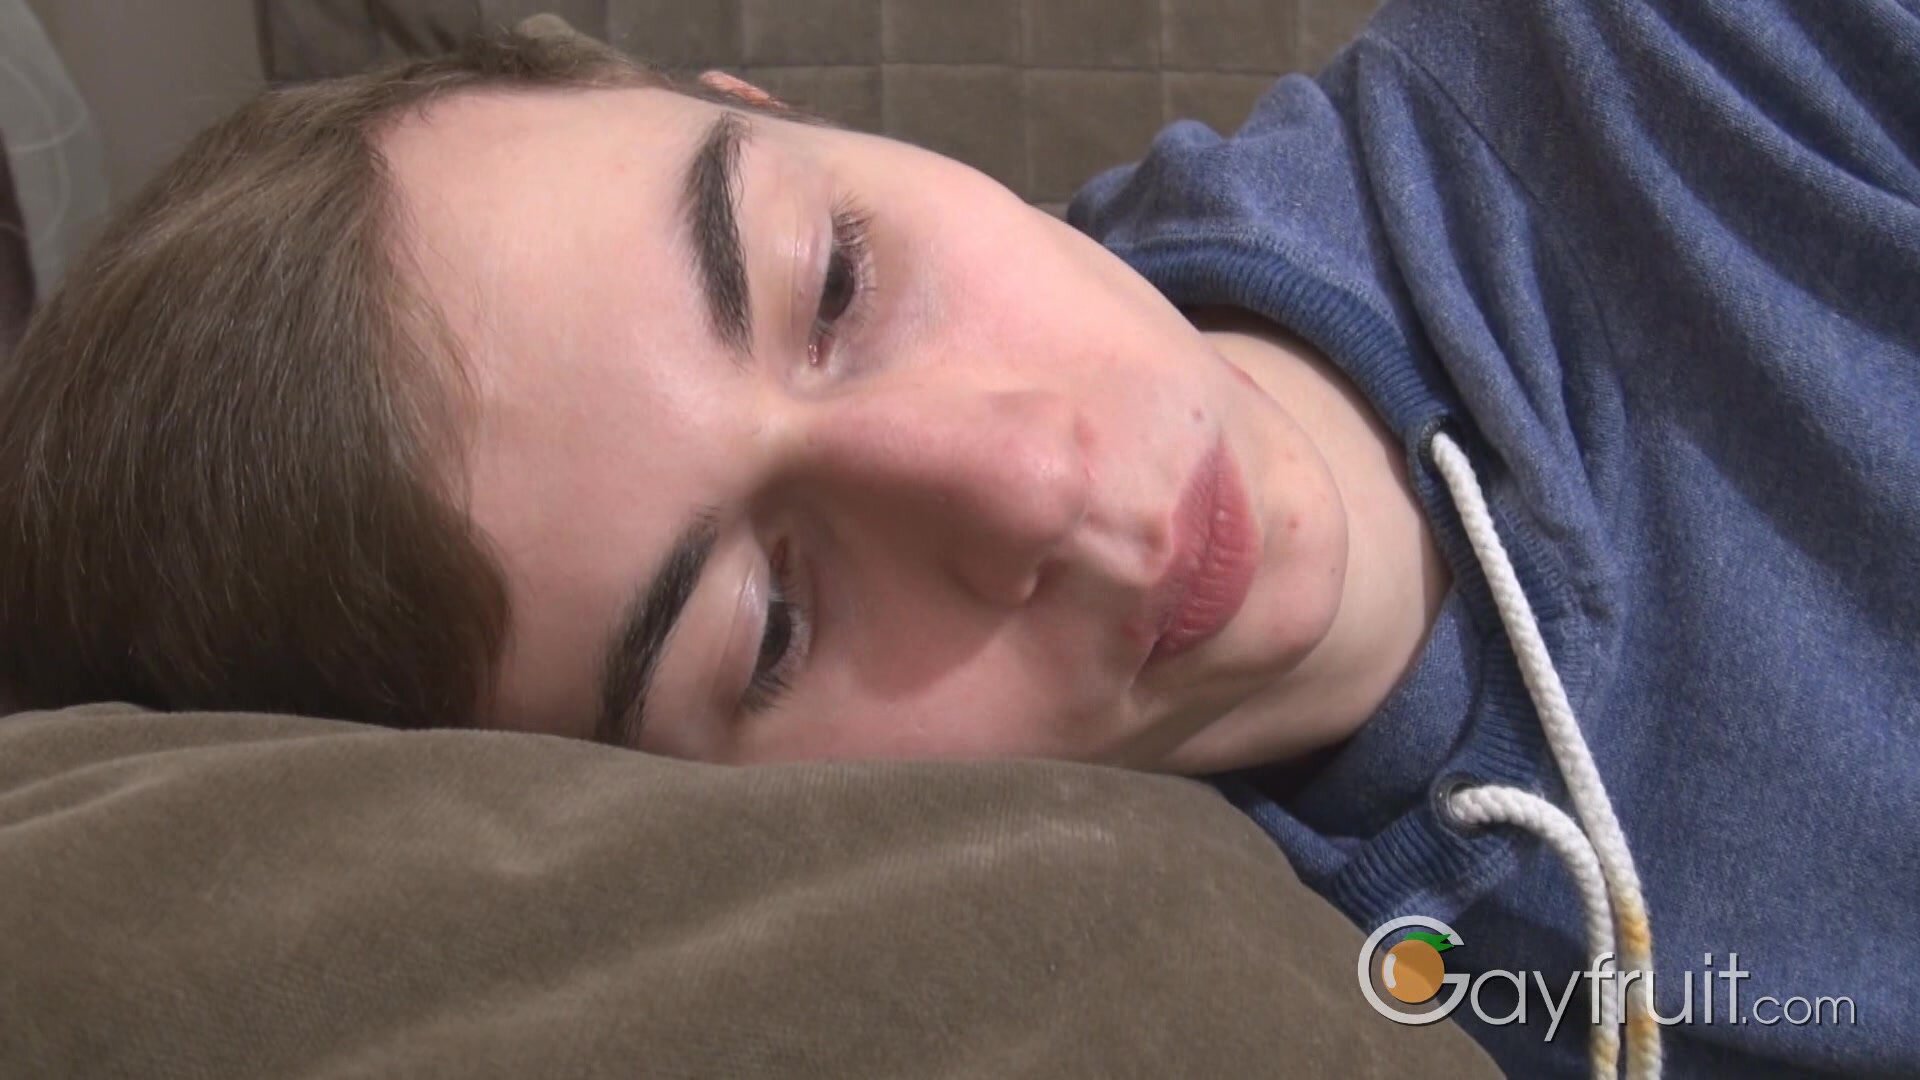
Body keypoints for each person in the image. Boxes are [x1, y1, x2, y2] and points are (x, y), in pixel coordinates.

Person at [0, 0, 1914, 1075]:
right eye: (767, 626)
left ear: (775, 110)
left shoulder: (1712, 64)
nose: (1028, 486)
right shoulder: (1133, 990)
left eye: (836, 276)